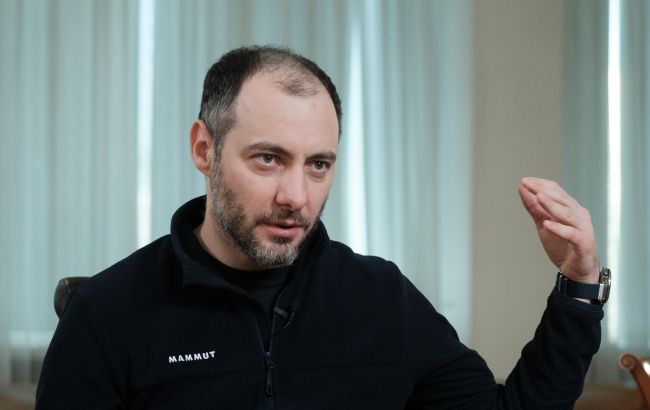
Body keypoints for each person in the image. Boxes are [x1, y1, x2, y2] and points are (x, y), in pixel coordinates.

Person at [36, 45, 607, 409]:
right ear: (204, 149)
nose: (296, 196)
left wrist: (578, 288)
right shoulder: (108, 315)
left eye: (318, 165)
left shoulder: (382, 298)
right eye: (268, 159)